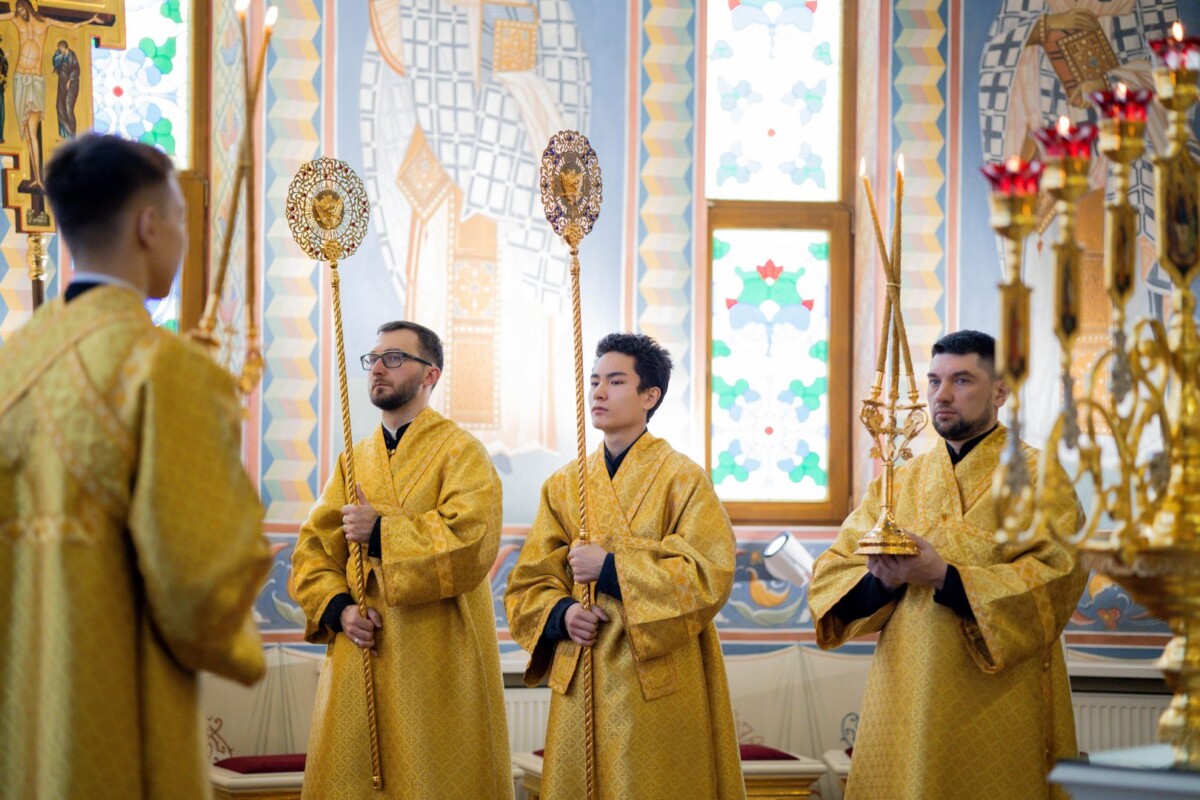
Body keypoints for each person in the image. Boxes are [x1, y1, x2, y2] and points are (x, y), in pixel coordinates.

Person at [0, 134, 271, 799]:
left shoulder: (11, 367)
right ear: (150, 226)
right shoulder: (164, 369)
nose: (182, 237)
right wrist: (240, 637)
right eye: (180, 218)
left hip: (17, 715)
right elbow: (199, 585)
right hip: (116, 710)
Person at [807, 330, 1086, 800]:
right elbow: (832, 574)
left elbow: (1056, 577)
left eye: (962, 380)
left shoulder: (1041, 477)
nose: (942, 395)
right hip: (905, 694)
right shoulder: (900, 480)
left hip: (998, 698)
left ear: (1000, 391)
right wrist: (885, 581)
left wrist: (943, 576)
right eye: (934, 381)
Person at [505, 332, 746, 800]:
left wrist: (612, 568)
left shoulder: (683, 479)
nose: (598, 392)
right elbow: (529, 581)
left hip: (657, 680)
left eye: (615, 382)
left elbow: (710, 572)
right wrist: (562, 615)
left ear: (649, 395)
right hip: (582, 672)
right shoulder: (564, 486)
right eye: (595, 381)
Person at [291, 321, 512, 799]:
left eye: (394, 358)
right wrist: (340, 610)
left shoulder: (462, 453)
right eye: (373, 359)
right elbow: (314, 551)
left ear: (430, 375)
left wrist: (380, 533)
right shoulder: (354, 461)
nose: (378, 369)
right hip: (360, 654)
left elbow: (471, 541)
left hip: (436, 662)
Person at [0, 0, 101, 191]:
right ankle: (36, 178)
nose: (20, 12)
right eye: (17, 9)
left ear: (29, 7)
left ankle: (39, 178)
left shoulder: (44, 22)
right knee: (27, 133)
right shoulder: (15, 19)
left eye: (22, 9)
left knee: (32, 130)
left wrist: (90, 20)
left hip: (36, 79)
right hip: (20, 78)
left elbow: (70, 26)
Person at [51, 39, 78, 139]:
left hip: (72, 84)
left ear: (65, 47)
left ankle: (72, 134)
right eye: (58, 49)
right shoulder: (59, 54)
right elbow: (55, 62)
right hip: (62, 82)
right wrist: (60, 56)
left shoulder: (72, 55)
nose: (59, 50)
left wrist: (70, 80)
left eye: (61, 48)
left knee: (68, 107)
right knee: (60, 107)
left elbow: (76, 69)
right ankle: (63, 134)